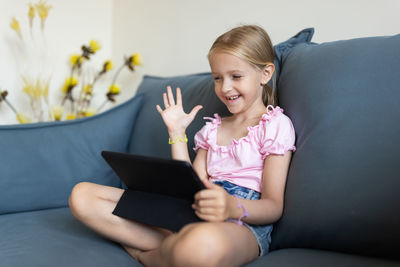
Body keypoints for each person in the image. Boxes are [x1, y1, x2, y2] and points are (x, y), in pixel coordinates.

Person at [69, 24, 296, 267]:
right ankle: (172, 248)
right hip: (192, 213)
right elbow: (189, 185)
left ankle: (146, 254)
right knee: (82, 196)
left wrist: (232, 207)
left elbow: (273, 206)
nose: (225, 87)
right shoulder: (213, 129)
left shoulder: (275, 126)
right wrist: (177, 133)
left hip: (242, 224)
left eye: (236, 76)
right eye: (217, 78)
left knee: (198, 246)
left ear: (265, 73)